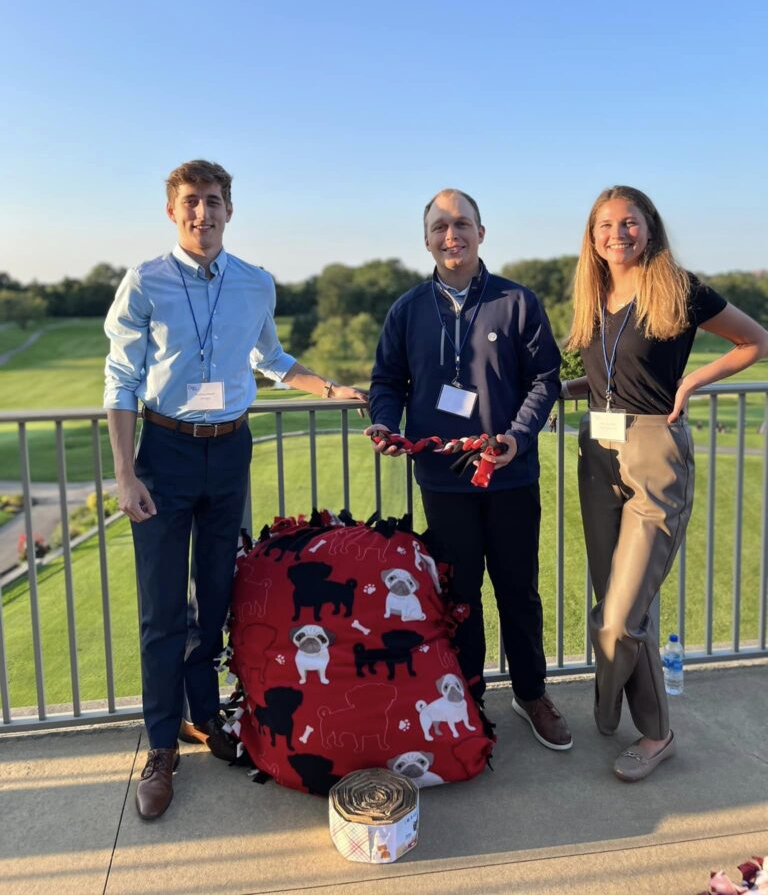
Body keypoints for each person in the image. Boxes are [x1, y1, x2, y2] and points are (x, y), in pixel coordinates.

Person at [104, 159, 366, 820]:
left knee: (216, 593)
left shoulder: (255, 283)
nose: (203, 213)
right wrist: (127, 472)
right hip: (162, 454)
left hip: (229, 451)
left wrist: (332, 388)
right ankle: (161, 746)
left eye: (213, 201)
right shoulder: (146, 281)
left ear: (229, 209)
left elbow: (271, 360)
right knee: (162, 610)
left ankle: (201, 717)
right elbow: (121, 380)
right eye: (191, 202)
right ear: (173, 212)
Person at [563, 185, 768, 781]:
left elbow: (755, 340)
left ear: (649, 227)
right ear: (592, 235)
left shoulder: (677, 287)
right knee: (620, 603)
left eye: (629, 222)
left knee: (620, 616)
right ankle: (656, 734)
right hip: (597, 451)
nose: (616, 233)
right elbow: (608, 378)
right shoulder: (595, 293)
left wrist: (692, 382)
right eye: (605, 224)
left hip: (654, 452)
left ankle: (605, 709)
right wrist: (558, 390)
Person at [366, 188, 572, 751]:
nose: (450, 235)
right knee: (460, 595)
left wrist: (517, 436)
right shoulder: (407, 309)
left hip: (509, 473)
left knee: (518, 591)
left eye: (461, 224)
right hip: (442, 479)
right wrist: (387, 423)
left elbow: (545, 379)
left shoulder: (518, 301)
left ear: (482, 232)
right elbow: (387, 381)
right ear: (426, 239)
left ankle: (532, 694)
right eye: (439, 227)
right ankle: (468, 697)